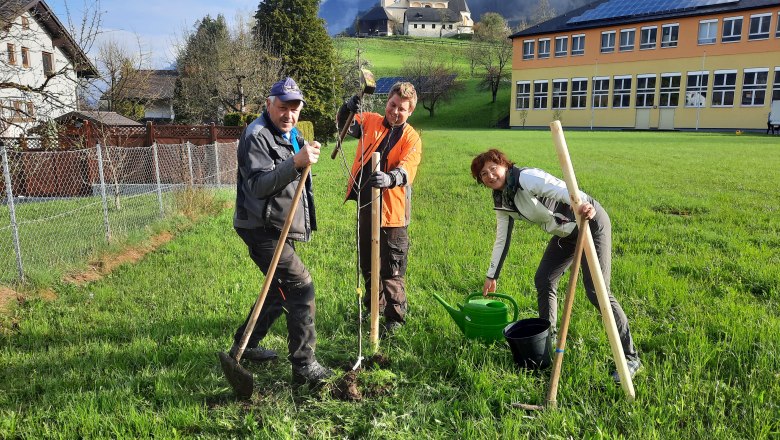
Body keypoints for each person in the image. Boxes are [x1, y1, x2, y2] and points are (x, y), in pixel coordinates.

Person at [470, 149, 641, 383]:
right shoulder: (502, 198)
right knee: (544, 279)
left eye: (493, 168)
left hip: (589, 221)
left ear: (505, 165)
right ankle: (546, 341)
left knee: (597, 291)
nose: (490, 175)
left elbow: (562, 189)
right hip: (566, 235)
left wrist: (582, 205)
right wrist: (492, 275)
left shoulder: (525, 178)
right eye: (483, 174)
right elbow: (502, 237)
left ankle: (630, 357)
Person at [229, 77, 332, 386]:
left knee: (279, 288)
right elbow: (259, 186)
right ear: (268, 104)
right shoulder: (256, 135)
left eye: (295, 108)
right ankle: (304, 365)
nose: (289, 114)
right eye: (283, 107)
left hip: (278, 225)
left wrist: (303, 153)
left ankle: (244, 346)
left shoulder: (293, 134)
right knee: (300, 287)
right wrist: (295, 162)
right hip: (260, 227)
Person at [337, 82, 422, 337]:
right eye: (392, 105)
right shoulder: (371, 121)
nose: (395, 111)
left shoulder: (412, 138)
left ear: (410, 112)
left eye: (402, 109)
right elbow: (345, 125)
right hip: (367, 205)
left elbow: (408, 169)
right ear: (387, 103)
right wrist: (347, 108)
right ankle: (374, 308)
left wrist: (390, 178)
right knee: (369, 263)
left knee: (392, 267)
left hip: (393, 213)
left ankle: (394, 318)